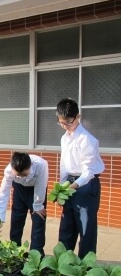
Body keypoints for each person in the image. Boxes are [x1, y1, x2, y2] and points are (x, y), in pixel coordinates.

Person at [56, 98, 105, 259]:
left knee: (86, 229)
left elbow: (88, 171)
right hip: (70, 182)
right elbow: (64, 164)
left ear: (78, 117)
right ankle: (64, 263)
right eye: (62, 123)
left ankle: (85, 268)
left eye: (68, 122)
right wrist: (62, 184)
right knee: (66, 226)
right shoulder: (65, 138)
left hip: (86, 184)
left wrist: (74, 185)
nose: (65, 126)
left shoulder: (88, 140)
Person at [0, 152, 49, 256]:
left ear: (30, 166)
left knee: (38, 220)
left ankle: (36, 254)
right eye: (17, 175)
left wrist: (38, 205)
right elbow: (3, 192)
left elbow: (41, 186)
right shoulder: (9, 170)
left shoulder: (41, 165)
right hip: (19, 189)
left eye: (24, 174)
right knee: (16, 219)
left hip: (36, 190)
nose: (21, 177)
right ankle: (15, 251)